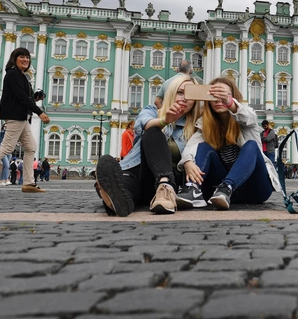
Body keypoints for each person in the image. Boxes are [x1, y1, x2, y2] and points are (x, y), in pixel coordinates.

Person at [94, 74, 202, 216]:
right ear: (170, 93)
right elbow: (143, 124)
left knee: (152, 132)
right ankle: (114, 200)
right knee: (125, 185)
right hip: (140, 174)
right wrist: (164, 120)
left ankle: (165, 186)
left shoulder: (198, 123)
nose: (184, 98)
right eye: (180, 92)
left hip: (173, 182)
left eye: (190, 94)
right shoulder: (152, 111)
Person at [177, 76, 281, 210]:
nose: (219, 99)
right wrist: (187, 161)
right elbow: (192, 146)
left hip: (255, 189)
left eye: (224, 94)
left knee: (251, 146)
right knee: (202, 146)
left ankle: (228, 186)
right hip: (217, 193)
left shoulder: (246, 120)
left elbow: (249, 116)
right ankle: (192, 189)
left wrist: (230, 103)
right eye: (214, 95)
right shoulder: (206, 125)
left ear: (233, 97)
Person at [0, 48, 50, 193]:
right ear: (14, 58)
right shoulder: (13, 74)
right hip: (15, 116)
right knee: (6, 148)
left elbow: (24, 96)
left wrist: (35, 98)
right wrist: (39, 112)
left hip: (21, 117)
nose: (25, 59)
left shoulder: (20, 75)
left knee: (30, 147)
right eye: (22, 57)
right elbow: (21, 97)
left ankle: (29, 183)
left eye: (27, 57)